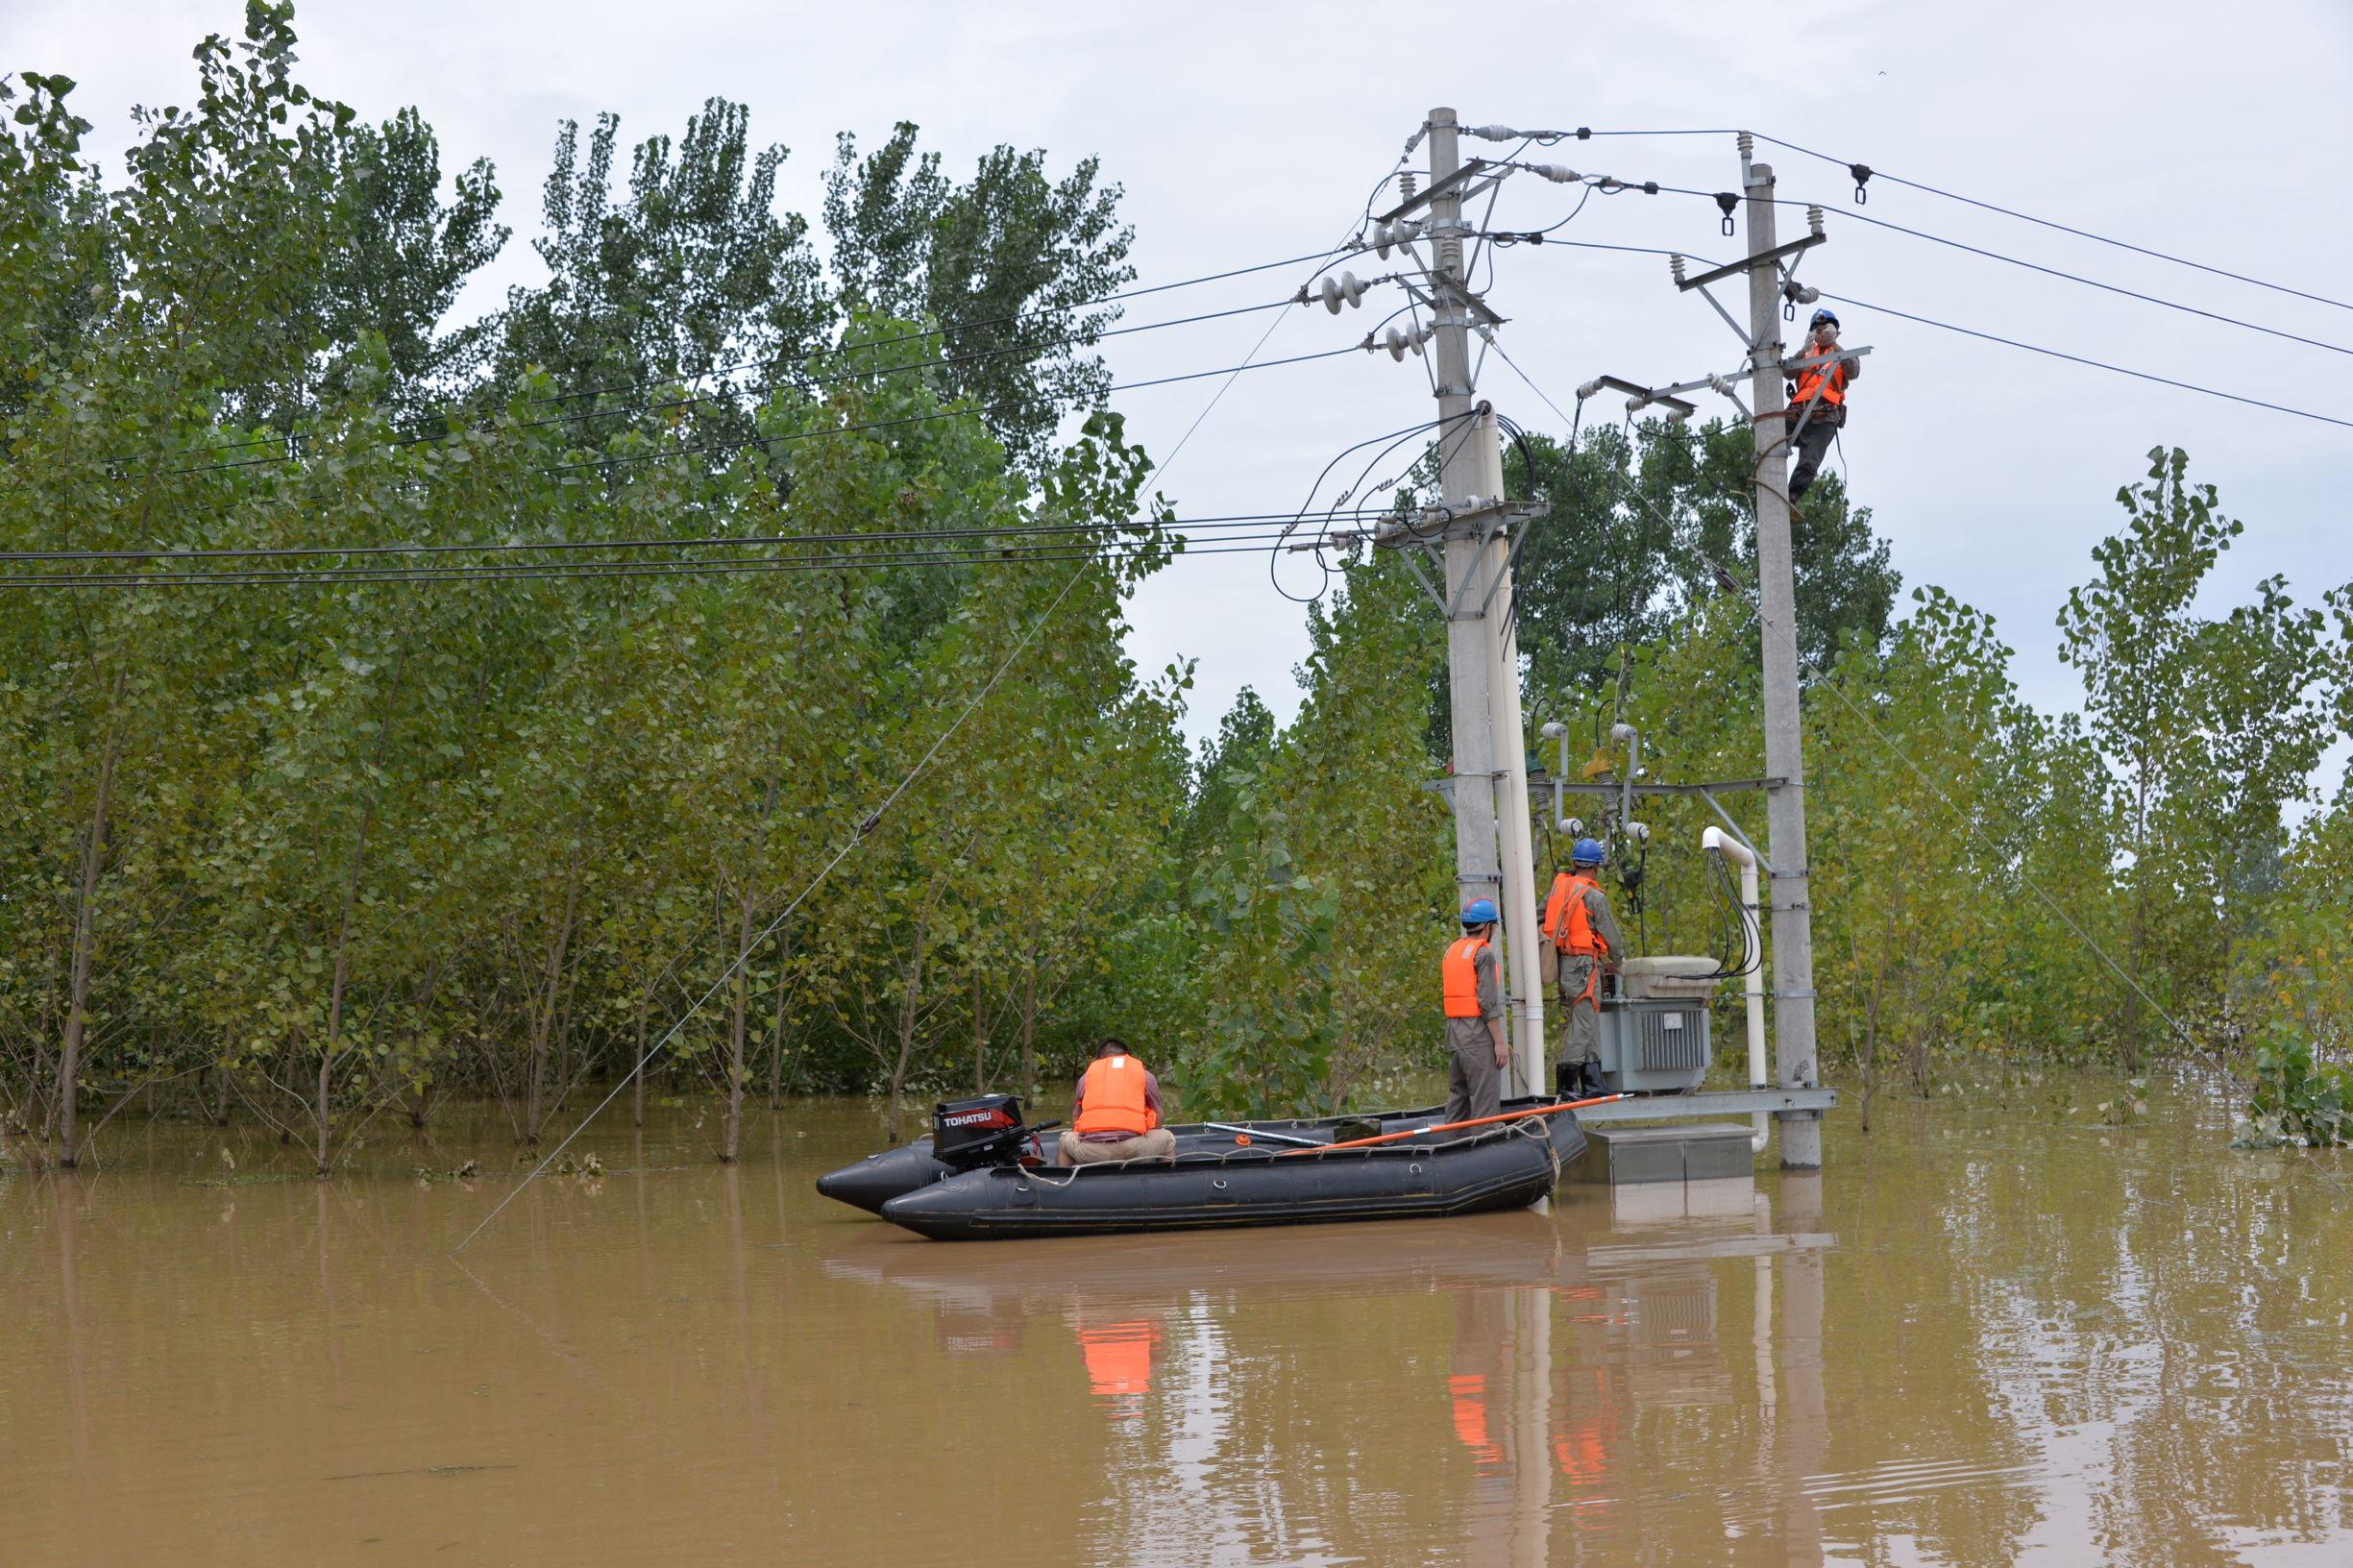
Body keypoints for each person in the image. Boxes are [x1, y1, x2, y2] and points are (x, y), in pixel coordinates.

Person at [1542, 839, 1628, 1098]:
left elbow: (1540, 913)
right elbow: (1612, 936)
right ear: (1596, 867)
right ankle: (1567, 1085)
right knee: (1583, 1022)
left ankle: (1593, 1081)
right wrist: (1620, 961)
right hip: (1583, 965)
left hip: (1566, 962)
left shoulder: (1560, 889)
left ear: (1574, 863)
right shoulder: (1593, 896)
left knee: (1587, 1018)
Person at [1056, 1038, 1176, 1165]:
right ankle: (1166, 1180)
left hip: (1091, 1152)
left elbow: (1076, 1120)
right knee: (1168, 1138)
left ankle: (1062, 1181)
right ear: (1128, 1056)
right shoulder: (1145, 1075)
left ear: (1098, 1059)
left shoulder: (1085, 1078)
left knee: (1064, 1140)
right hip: (1131, 1149)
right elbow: (1158, 1117)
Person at [1441, 899, 1508, 1125]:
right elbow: (1487, 1003)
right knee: (1484, 1102)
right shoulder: (1483, 955)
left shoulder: (1452, 950)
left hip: (1454, 1034)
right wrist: (1499, 1042)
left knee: (1458, 1100)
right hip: (1476, 1035)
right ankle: (1484, 1149)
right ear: (1488, 927)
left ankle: (1450, 1147)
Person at [1783, 307, 1860, 504]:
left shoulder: (1843, 355)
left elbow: (1853, 372)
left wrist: (1834, 345)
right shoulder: (1806, 354)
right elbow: (1787, 372)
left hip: (1824, 418)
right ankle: (1764, 473)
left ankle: (1790, 497)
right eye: (1816, 329)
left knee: (1809, 461)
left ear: (1836, 331)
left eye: (1825, 328)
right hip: (1797, 414)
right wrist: (1802, 350)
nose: (1820, 332)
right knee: (1767, 433)